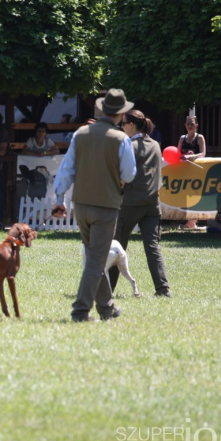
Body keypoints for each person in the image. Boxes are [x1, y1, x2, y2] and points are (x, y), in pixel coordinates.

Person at [52, 88, 137, 322]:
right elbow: (129, 174)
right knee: (95, 260)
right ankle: (80, 311)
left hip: (81, 205)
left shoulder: (80, 134)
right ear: (121, 115)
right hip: (106, 206)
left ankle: (107, 308)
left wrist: (59, 200)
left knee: (94, 257)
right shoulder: (121, 139)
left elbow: (65, 170)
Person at [109, 109, 170, 298]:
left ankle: (107, 289)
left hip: (130, 203)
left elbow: (122, 176)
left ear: (131, 125)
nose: (121, 127)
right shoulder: (156, 145)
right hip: (152, 204)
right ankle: (163, 289)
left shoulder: (129, 145)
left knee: (117, 247)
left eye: (123, 123)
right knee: (152, 248)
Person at [177, 116, 207, 228]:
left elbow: (203, 153)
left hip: (196, 171)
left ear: (196, 126)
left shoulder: (200, 137)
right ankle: (190, 222)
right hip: (184, 172)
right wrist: (183, 156)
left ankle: (192, 222)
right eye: (188, 124)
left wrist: (192, 156)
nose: (190, 126)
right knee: (184, 194)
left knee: (195, 195)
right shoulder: (182, 138)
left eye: (192, 124)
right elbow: (177, 153)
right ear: (185, 125)